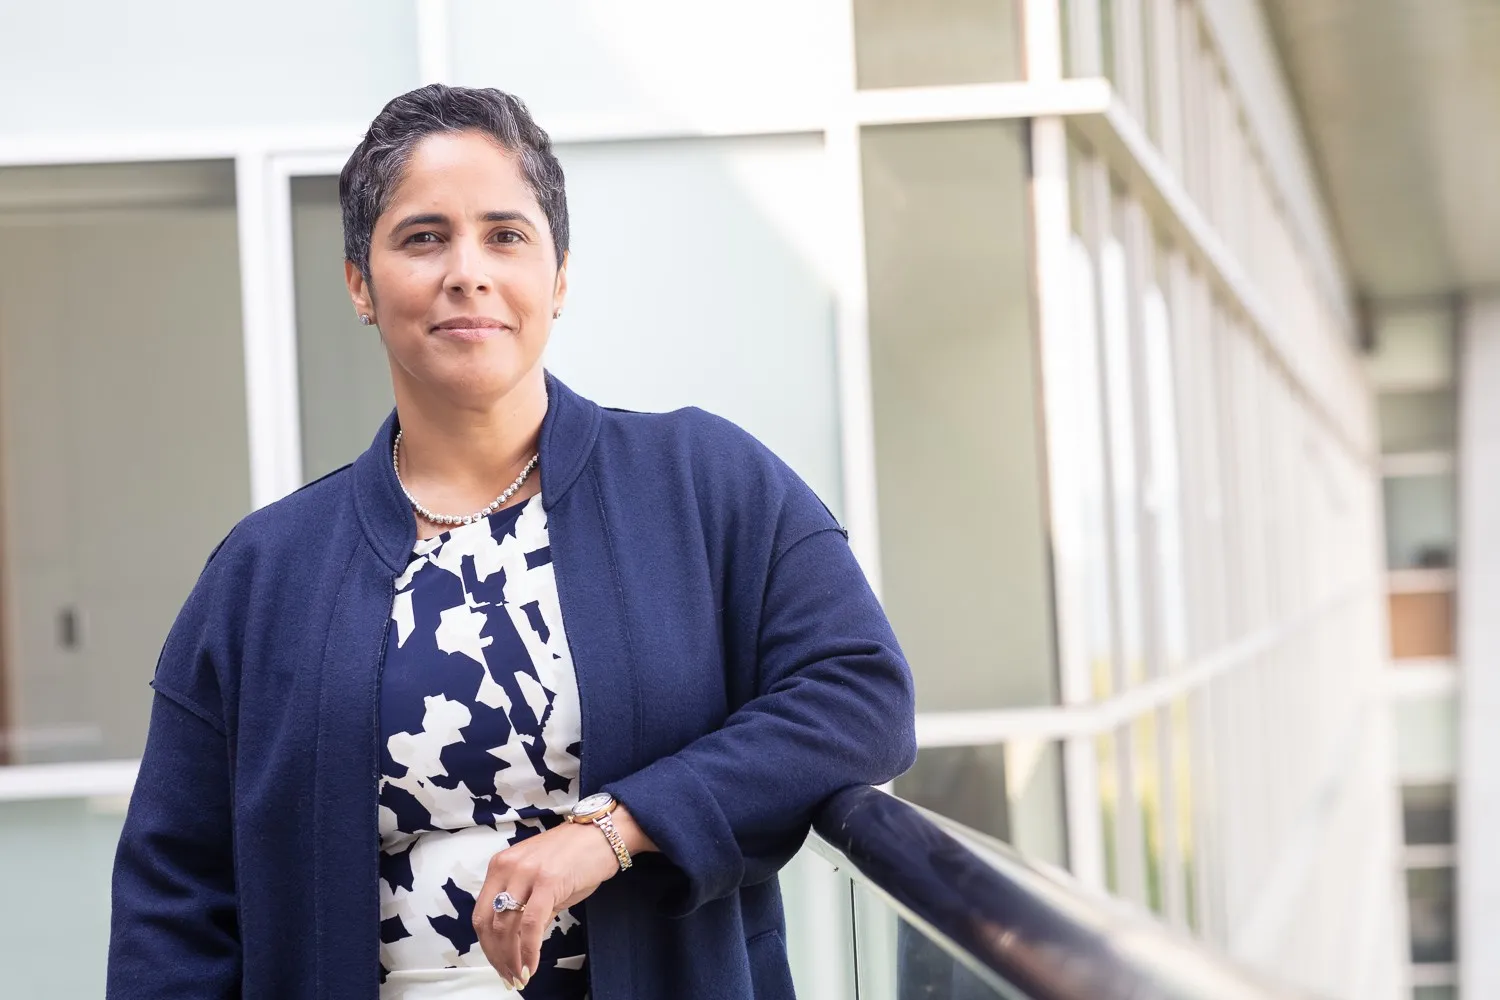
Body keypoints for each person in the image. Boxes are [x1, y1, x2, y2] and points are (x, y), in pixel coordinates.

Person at [107, 83, 916, 1000]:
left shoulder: (704, 481)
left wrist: (612, 829)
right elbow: (173, 899)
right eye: (422, 238)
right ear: (359, 284)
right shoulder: (260, 574)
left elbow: (860, 692)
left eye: (506, 235)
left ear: (559, 275)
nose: (468, 271)